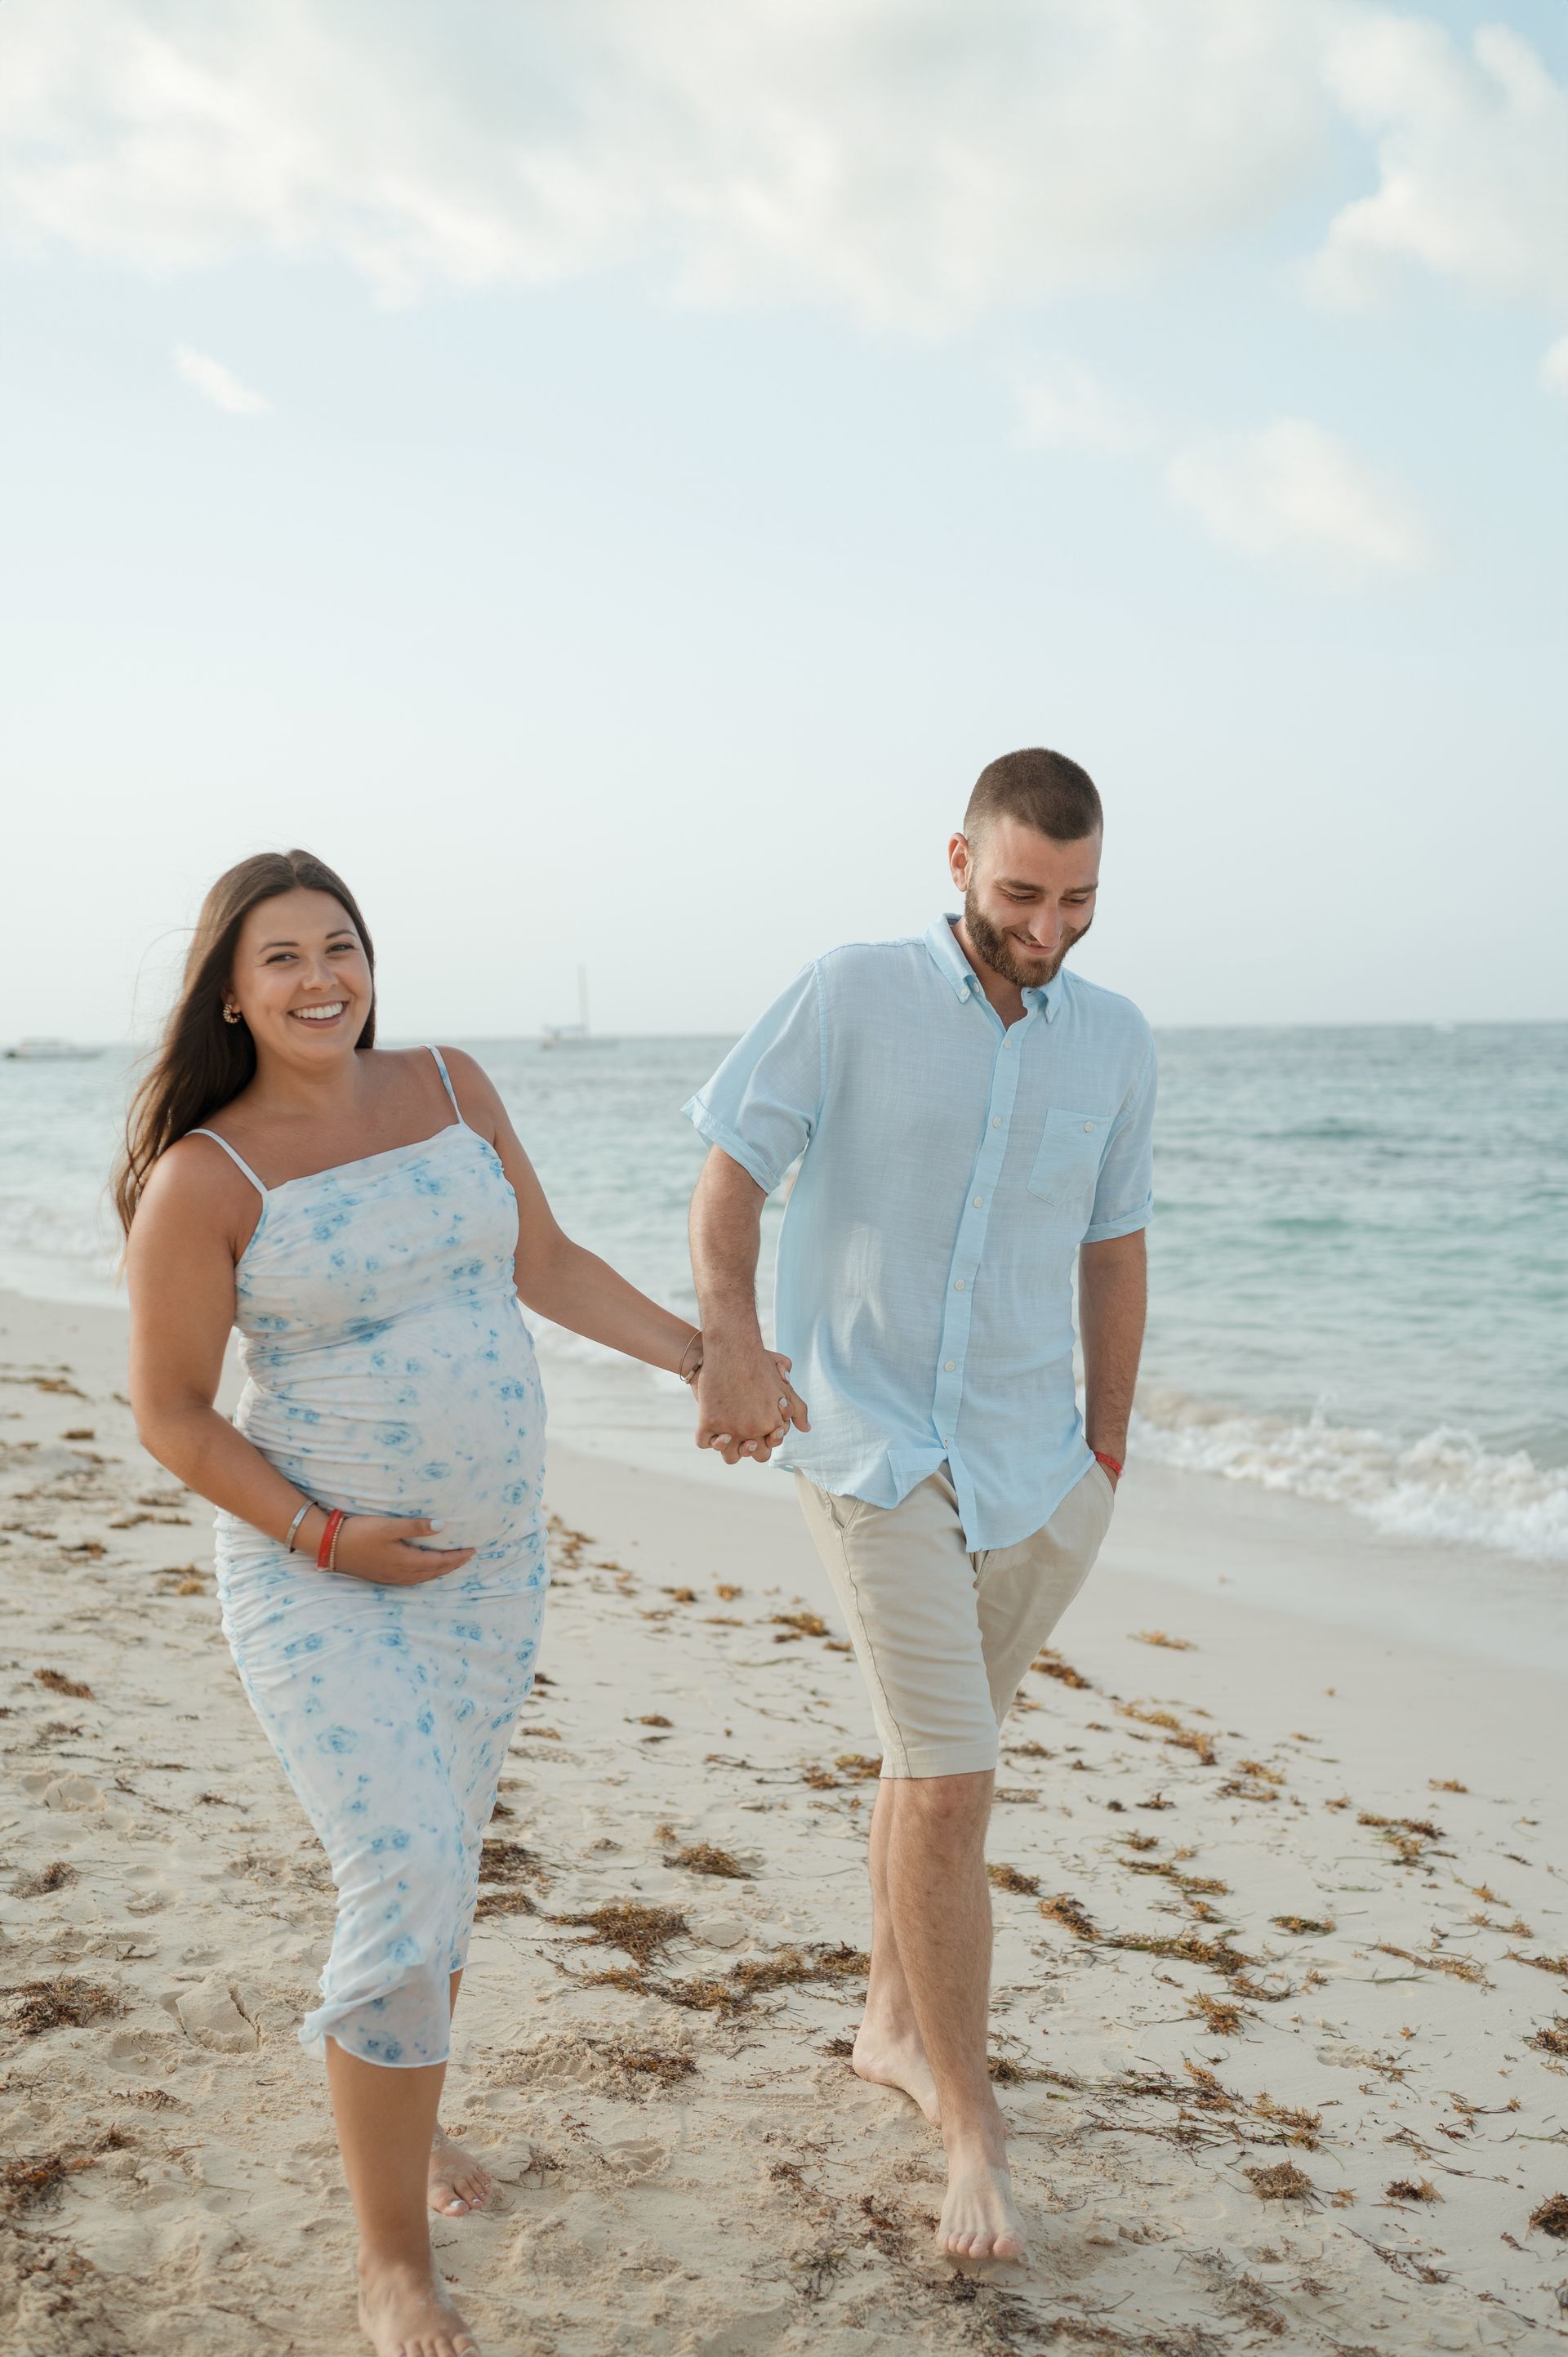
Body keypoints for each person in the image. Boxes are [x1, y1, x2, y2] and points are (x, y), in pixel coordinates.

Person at [118, 849, 799, 2357]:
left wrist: (708, 1359)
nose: (319, 980)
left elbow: (543, 1261)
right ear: (230, 989)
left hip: (493, 1570)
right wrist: (323, 1533)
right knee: (407, 1862)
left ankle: (408, 2116)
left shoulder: (449, 1083)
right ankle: (390, 2262)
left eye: (340, 946)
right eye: (281, 957)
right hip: (319, 1577)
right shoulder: (204, 1178)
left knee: (447, 1856)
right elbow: (169, 1413)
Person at [684, 748, 1153, 2264]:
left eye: (1078, 898)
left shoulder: (1117, 1040)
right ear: (957, 859)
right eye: (1023, 892)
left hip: (1037, 1470)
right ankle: (973, 2123)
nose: (1050, 925)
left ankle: (888, 2019)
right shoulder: (852, 991)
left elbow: (1114, 1244)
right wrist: (735, 1337)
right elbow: (734, 1166)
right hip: (871, 1441)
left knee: (926, 1757)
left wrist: (1109, 1446)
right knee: (954, 1784)